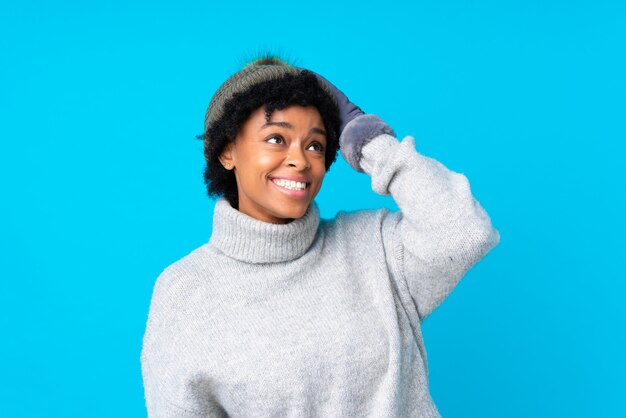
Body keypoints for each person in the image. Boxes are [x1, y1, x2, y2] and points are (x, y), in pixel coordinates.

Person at [140, 56, 501, 417]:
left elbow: (464, 232)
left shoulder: (375, 247)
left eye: (314, 145)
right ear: (227, 151)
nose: (300, 159)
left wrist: (370, 140)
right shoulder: (184, 292)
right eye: (276, 138)